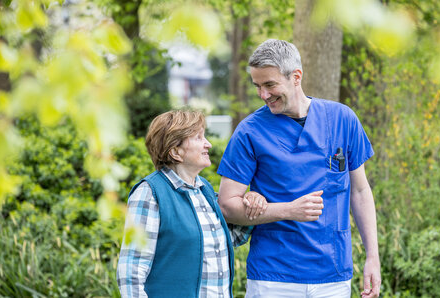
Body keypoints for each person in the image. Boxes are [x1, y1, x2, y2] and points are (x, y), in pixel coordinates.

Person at [217, 39, 381, 298]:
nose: (263, 95)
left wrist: (372, 256)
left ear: (296, 76)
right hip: (273, 276)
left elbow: (360, 192)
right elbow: (226, 206)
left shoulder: (342, 119)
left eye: (270, 84)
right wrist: (289, 210)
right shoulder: (249, 132)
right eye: (257, 86)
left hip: (333, 276)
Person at [116, 109, 265, 297]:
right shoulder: (149, 193)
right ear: (175, 151)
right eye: (198, 138)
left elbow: (228, 239)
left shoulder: (205, 190)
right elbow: (131, 272)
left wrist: (251, 202)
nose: (208, 144)